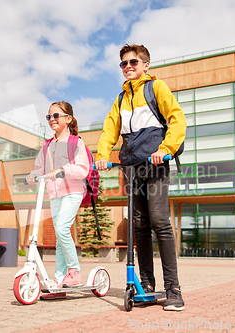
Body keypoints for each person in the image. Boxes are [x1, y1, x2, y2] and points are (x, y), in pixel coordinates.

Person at [95, 44, 187, 311]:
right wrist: (103, 155)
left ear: (145, 65)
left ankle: (173, 288)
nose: (128, 67)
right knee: (139, 226)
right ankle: (146, 284)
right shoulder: (120, 99)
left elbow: (177, 119)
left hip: (155, 163)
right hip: (131, 167)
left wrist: (165, 150)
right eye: (123, 64)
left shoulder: (156, 88)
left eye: (133, 62)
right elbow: (108, 130)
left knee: (160, 221)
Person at [26, 101, 90, 300]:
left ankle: (74, 272)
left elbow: (83, 169)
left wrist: (63, 171)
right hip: (54, 194)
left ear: (68, 119)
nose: (52, 120)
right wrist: (32, 175)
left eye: (56, 116)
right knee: (60, 238)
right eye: (49, 117)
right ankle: (60, 281)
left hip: (73, 191)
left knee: (62, 229)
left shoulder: (75, 142)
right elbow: (41, 168)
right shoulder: (47, 145)